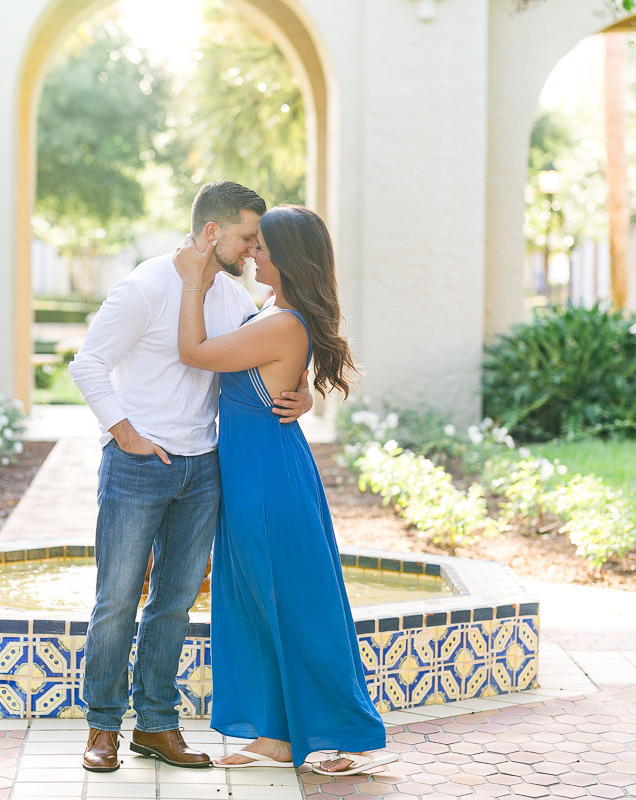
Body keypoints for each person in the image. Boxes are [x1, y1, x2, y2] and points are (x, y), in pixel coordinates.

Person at [68, 180, 312, 773]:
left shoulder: (231, 296)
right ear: (212, 232)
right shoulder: (145, 286)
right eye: (247, 237)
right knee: (117, 600)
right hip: (137, 466)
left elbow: (274, 347)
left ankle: (156, 726)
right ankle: (102, 729)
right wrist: (124, 433)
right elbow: (88, 363)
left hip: (203, 469)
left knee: (173, 604)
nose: (255, 250)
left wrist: (301, 391)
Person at [172, 204, 394, 776]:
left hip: (268, 481)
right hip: (257, 470)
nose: (252, 253)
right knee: (254, 601)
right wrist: (302, 395)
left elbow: (194, 353)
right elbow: (277, 380)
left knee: (296, 604)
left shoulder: (281, 323)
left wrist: (193, 285)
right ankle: (275, 735)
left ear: (287, 259)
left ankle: (336, 734)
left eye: (261, 248)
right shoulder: (274, 312)